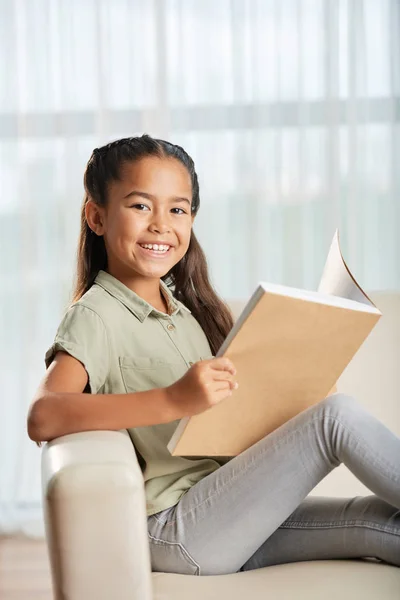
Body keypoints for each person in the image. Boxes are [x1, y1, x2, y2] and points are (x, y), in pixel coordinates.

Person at [27, 134, 400, 576]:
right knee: (336, 418)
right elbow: (43, 415)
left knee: (379, 523)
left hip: (228, 509)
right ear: (97, 216)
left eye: (178, 209)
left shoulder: (184, 313)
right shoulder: (96, 313)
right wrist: (174, 399)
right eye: (141, 205)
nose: (161, 224)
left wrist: (299, 392)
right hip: (179, 529)